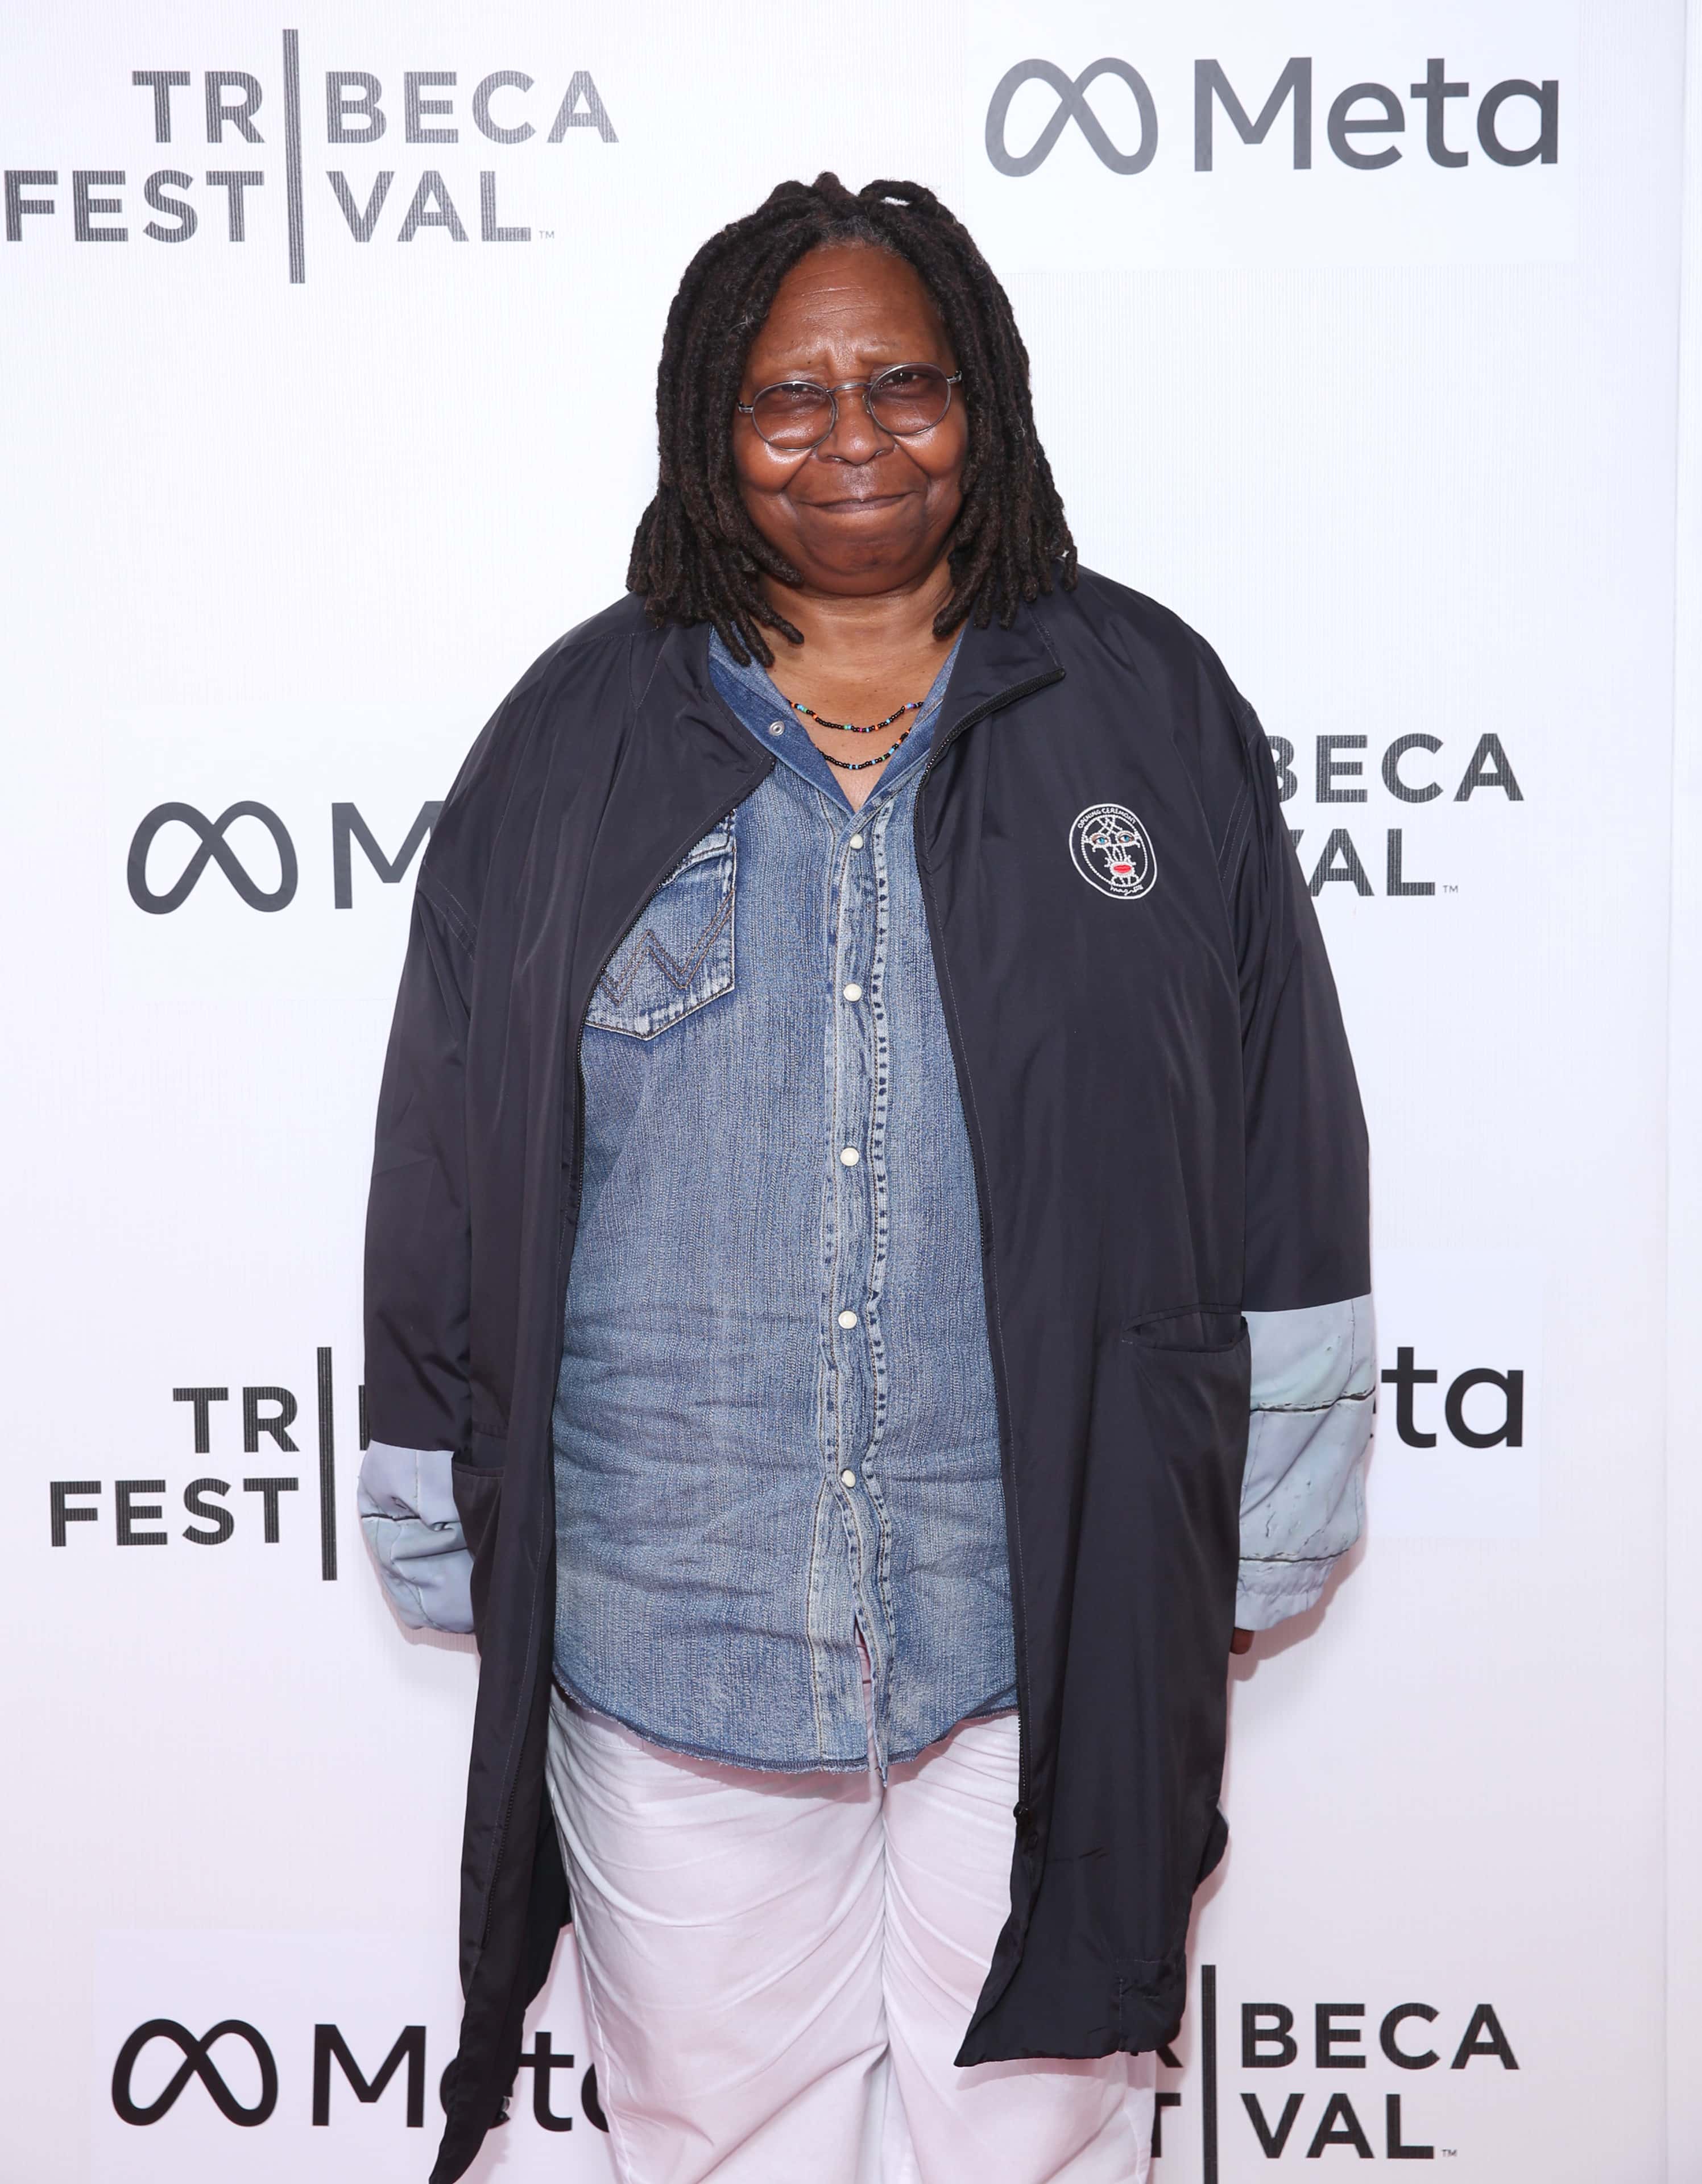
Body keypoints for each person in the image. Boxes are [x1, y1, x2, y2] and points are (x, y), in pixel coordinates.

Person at [358, 173, 1373, 2184]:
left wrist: (1272, 1517)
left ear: (979, 403)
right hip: (672, 1635)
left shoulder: (1145, 708)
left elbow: (1283, 1130)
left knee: (1037, 2153)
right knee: (715, 2152)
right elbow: (444, 1155)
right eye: (787, 397)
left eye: (903, 387)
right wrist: (430, 1499)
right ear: (708, 433)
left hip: (1048, 1624)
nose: (850, 438)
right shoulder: (568, 739)